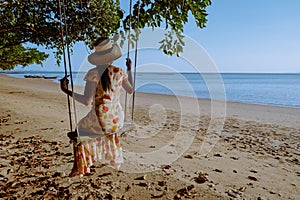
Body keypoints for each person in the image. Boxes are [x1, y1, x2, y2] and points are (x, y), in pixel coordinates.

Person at [60, 37, 133, 176]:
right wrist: (129, 70)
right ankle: (91, 158)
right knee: (95, 129)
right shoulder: (120, 72)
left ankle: (79, 165)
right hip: (117, 121)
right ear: (111, 57)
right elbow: (131, 90)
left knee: (79, 130)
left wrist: (65, 90)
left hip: (101, 122)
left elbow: (87, 101)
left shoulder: (93, 73)